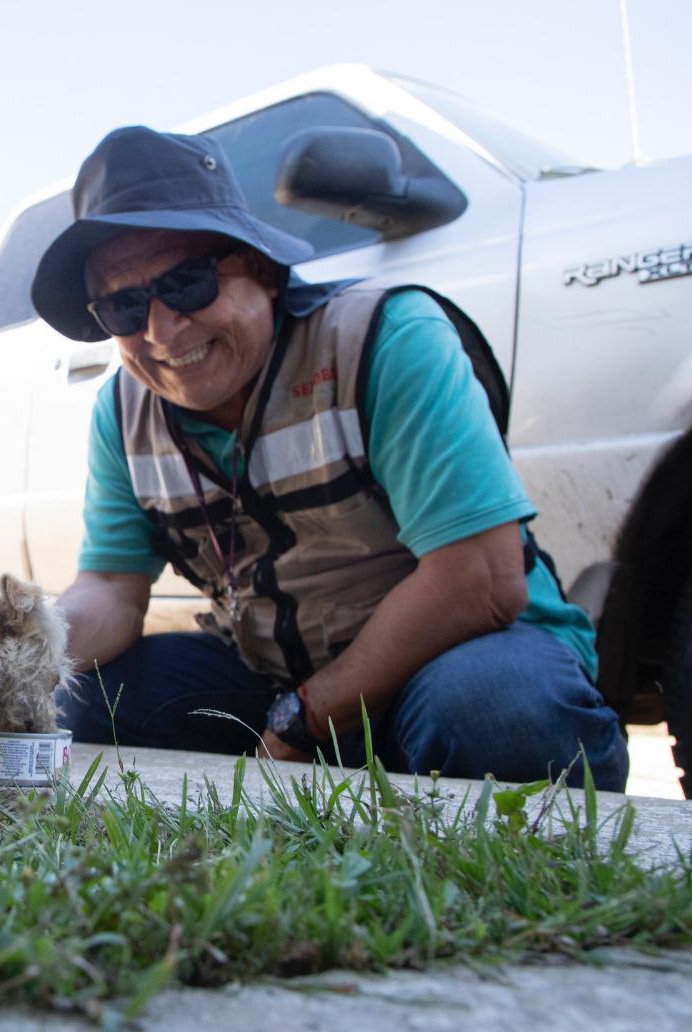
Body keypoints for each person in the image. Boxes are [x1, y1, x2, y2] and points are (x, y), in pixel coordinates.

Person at [31, 126, 628, 790]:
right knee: (79, 696)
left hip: (454, 656)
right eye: (123, 306)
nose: (161, 330)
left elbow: (479, 580)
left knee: (497, 710)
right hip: (279, 678)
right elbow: (112, 587)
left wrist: (309, 715)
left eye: (188, 283)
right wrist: (25, 647)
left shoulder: (385, 339)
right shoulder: (122, 412)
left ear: (260, 268)